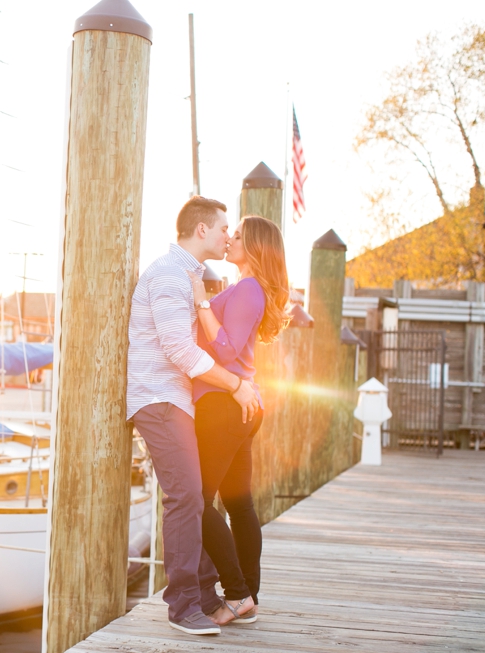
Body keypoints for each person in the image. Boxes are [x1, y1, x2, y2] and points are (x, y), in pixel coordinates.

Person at [127, 196, 261, 636]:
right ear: (201, 230)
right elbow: (178, 350)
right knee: (187, 497)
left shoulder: (191, 276)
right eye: (224, 228)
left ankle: (208, 598)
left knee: (195, 498)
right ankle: (184, 605)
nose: (229, 235)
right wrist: (236, 384)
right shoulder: (168, 274)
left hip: (178, 400)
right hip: (158, 398)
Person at [187, 215, 290, 625]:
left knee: (195, 501)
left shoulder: (248, 289)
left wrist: (200, 300)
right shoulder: (244, 288)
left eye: (237, 235)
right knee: (238, 503)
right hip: (238, 405)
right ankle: (248, 597)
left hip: (225, 406)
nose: (228, 238)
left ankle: (237, 592)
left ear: (254, 247)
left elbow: (226, 353)